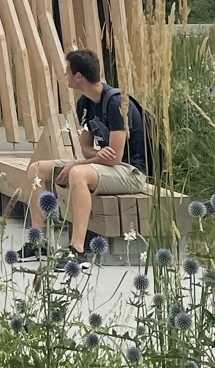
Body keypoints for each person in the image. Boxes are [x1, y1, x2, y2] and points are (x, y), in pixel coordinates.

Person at [15, 48, 148, 262]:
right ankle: (38, 241)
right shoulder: (84, 103)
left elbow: (116, 157)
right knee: (37, 169)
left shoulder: (116, 104)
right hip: (105, 167)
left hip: (130, 172)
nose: (65, 75)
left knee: (77, 174)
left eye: (67, 71)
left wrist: (78, 164)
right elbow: (85, 147)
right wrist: (95, 155)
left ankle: (77, 250)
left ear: (78, 76)